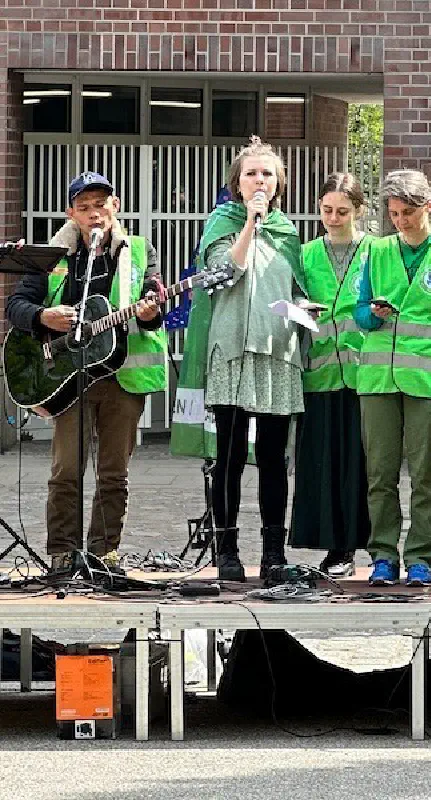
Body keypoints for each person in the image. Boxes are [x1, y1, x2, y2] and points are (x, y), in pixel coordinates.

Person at [5, 171, 167, 570]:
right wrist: (44, 316)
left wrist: (150, 310)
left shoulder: (142, 251)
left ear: (116, 206)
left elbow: (152, 307)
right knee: (66, 470)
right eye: (84, 207)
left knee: (114, 472)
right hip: (68, 377)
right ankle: (62, 551)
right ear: (70, 213)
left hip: (121, 375)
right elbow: (16, 306)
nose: (94, 214)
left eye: (101, 205)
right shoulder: (51, 256)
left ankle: (104, 551)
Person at [191, 136, 304, 581]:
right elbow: (222, 275)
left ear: (279, 184)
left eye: (268, 174)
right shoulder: (222, 224)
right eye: (251, 173)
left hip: (277, 351)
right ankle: (227, 550)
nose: (260, 180)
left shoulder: (289, 232)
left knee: (274, 457)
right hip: (232, 351)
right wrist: (249, 227)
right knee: (231, 455)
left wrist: (304, 308)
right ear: (236, 183)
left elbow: (296, 288)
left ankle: (274, 553)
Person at [355, 170, 431, 587]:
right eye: (393, 213)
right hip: (377, 378)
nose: (400, 221)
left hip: (426, 379)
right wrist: (373, 313)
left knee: (426, 474)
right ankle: (383, 555)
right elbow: (360, 312)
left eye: (407, 212)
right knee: (380, 474)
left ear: (428, 208)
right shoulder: (378, 251)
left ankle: (421, 555)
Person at [290, 173, 375, 577]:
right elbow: (289, 302)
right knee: (324, 463)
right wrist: (299, 310)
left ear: (359, 210)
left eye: (343, 211)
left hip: (365, 375)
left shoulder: (377, 251)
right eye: (327, 210)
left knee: (365, 464)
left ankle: (371, 543)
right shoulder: (305, 254)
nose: (334, 218)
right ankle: (335, 548)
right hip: (320, 373)